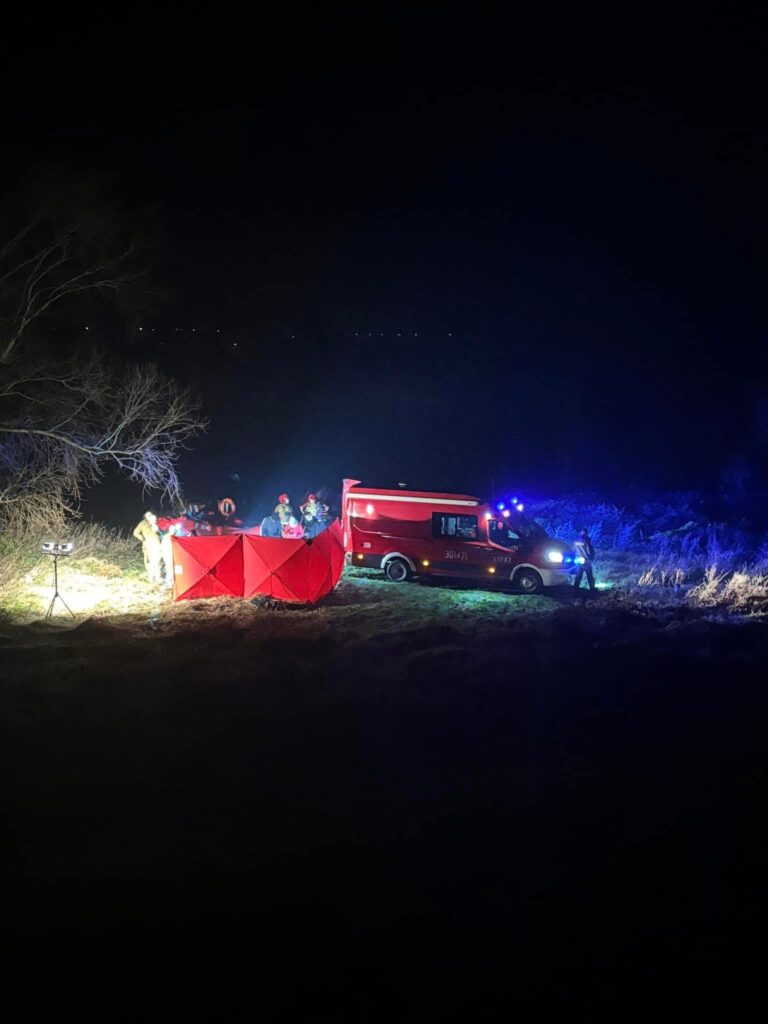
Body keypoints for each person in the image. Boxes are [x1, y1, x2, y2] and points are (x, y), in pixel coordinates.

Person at [133, 511, 163, 584]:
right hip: (147, 545)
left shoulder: (156, 523)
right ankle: (150, 577)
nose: (149, 516)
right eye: (147, 515)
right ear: (145, 516)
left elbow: (161, 532)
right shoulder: (142, 523)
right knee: (149, 561)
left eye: (150, 514)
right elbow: (135, 532)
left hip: (157, 544)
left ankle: (157, 577)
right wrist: (143, 539)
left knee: (158, 561)